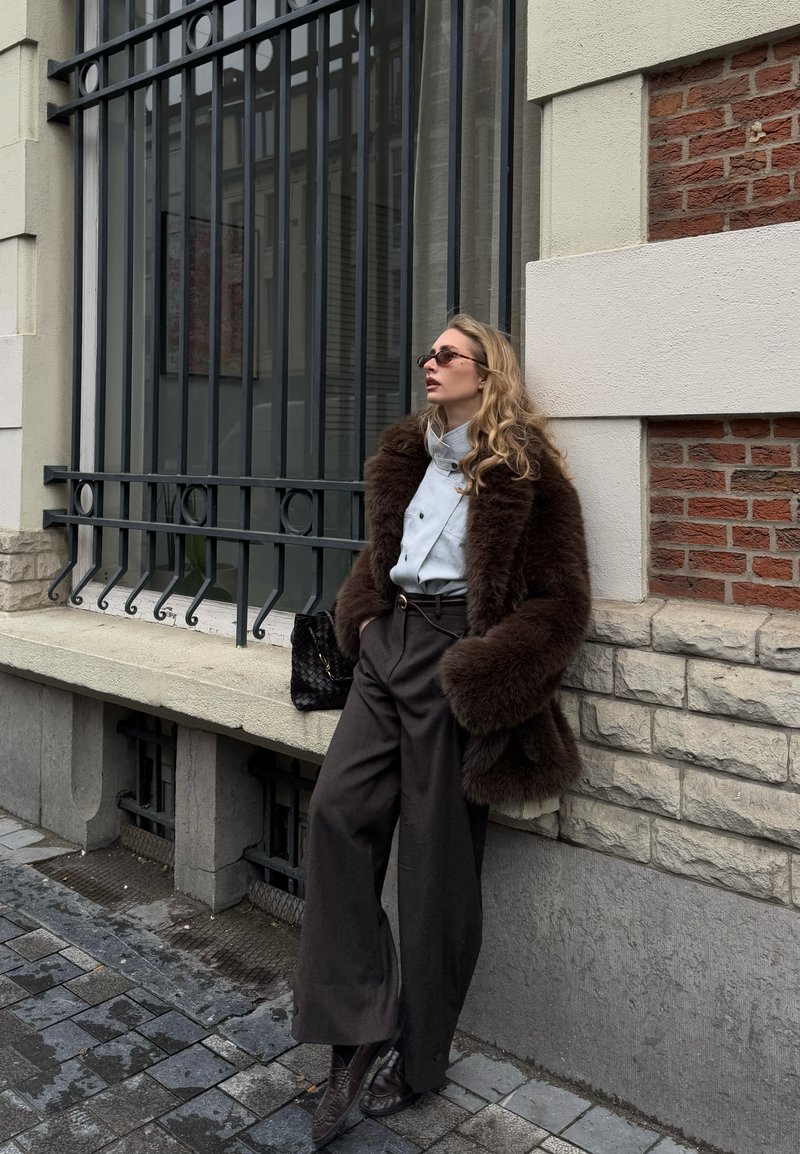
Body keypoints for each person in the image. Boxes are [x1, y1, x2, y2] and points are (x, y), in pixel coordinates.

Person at [291, 314, 591, 1147]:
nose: (429, 362)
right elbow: (380, 551)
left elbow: (562, 608)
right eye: (427, 351)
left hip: (458, 661)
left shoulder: (526, 476)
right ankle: (356, 1028)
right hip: (390, 649)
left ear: (487, 373)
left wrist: (478, 674)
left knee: (435, 870)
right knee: (335, 815)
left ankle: (423, 1057)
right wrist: (363, 618)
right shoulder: (407, 455)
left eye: (447, 354)